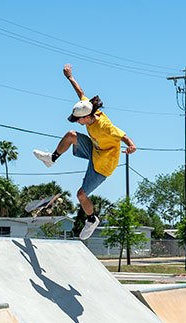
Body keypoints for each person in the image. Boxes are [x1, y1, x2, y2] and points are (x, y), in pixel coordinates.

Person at [33, 64, 136, 240]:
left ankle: (91, 219)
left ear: (87, 117)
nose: (77, 122)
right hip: (94, 150)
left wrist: (132, 145)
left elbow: (121, 134)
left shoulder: (105, 126)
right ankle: (52, 158)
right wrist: (69, 77)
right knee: (71, 135)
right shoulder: (87, 108)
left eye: (78, 120)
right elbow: (80, 93)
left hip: (103, 165)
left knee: (81, 195)